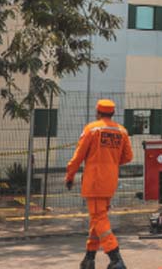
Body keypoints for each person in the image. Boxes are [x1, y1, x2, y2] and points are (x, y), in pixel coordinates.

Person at [66, 99, 134, 269]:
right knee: (97, 219)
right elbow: (128, 157)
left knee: (99, 218)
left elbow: (79, 156)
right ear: (112, 113)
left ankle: (115, 258)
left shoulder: (92, 129)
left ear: (98, 112)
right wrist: (111, 161)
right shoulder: (121, 131)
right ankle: (89, 259)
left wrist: (70, 175)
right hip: (110, 181)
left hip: (94, 181)